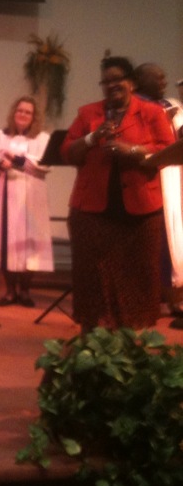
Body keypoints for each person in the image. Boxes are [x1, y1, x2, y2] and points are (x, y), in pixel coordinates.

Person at [60, 56, 174, 332]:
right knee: (92, 280)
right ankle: (93, 337)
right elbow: (67, 152)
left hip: (139, 214)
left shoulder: (152, 113)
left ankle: (131, 339)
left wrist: (132, 151)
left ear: (131, 83)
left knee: (137, 278)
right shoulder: (88, 113)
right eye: (106, 81)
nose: (111, 85)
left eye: (117, 79)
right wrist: (92, 137)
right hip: (91, 213)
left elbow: (169, 151)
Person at [0, 95, 53, 308]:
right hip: (5, 196)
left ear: (34, 117)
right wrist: (0, 162)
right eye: (20, 110)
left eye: (28, 112)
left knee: (29, 244)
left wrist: (17, 159)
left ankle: (25, 291)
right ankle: (10, 291)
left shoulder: (42, 138)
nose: (23, 114)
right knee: (6, 243)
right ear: (14, 113)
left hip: (31, 197)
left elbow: (44, 165)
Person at [133, 62, 183, 327]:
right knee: (156, 236)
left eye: (164, 77)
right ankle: (152, 298)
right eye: (158, 77)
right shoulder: (135, 106)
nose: (164, 81)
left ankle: (173, 295)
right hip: (151, 177)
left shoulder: (170, 104)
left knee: (173, 236)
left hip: (174, 177)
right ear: (141, 79)